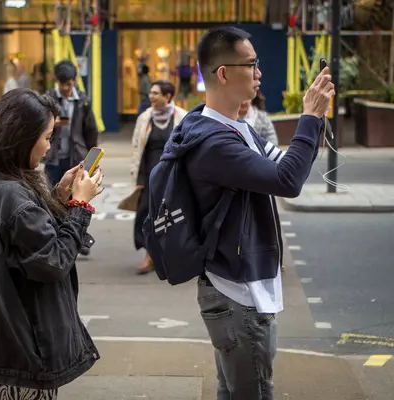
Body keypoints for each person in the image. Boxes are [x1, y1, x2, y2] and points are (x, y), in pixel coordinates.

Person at [161, 26, 333, 399]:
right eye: (251, 64)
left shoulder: (233, 126)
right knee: (251, 392)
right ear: (223, 73)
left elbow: (286, 168)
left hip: (235, 287)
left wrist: (314, 119)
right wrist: (308, 118)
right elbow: (288, 182)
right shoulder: (216, 143)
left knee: (234, 390)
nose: (259, 73)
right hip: (239, 295)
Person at [0, 88, 103, 399]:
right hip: (23, 345)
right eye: (48, 137)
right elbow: (52, 261)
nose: (50, 147)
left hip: (6, 342)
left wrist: (59, 199)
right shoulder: (12, 193)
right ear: (23, 137)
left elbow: (26, 240)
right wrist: (81, 206)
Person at [130, 80, 187, 274]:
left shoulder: (182, 117)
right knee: (145, 216)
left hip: (173, 178)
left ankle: (167, 257)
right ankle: (149, 255)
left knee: (172, 217)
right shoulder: (144, 118)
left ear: (168, 96)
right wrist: (137, 179)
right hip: (149, 178)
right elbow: (137, 149)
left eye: (156, 93)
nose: (151, 96)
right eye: (151, 93)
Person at [43, 60, 99, 187]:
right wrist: (50, 124)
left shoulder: (83, 101)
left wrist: (92, 161)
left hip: (76, 157)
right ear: (56, 80)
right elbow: (37, 126)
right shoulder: (48, 98)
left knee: (74, 197)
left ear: (74, 80)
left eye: (68, 84)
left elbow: (91, 131)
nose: (65, 88)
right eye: (62, 84)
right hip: (53, 157)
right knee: (51, 196)